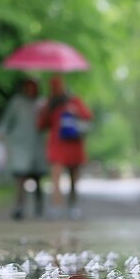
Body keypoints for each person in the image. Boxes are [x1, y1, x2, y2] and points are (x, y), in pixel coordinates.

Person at [38, 75, 92, 219]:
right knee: (55, 176)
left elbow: (88, 116)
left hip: (74, 144)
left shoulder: (74, 100)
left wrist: (76, 111)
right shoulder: (50, 104)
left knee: (74, 177)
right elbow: (41, 125)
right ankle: (57, 206)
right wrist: (45, 110)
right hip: (57, 144)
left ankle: (73, 204)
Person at [0, 78, 48, 220]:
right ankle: (19, 206)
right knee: (20, 176)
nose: (31, 89)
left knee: (37, 178)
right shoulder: (17, 102)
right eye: (28, 86)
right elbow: (6, 122)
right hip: (20, 145)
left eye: (34, 86)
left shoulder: (42, 103)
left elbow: (48, 123)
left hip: (37, 145)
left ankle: (39, 206)